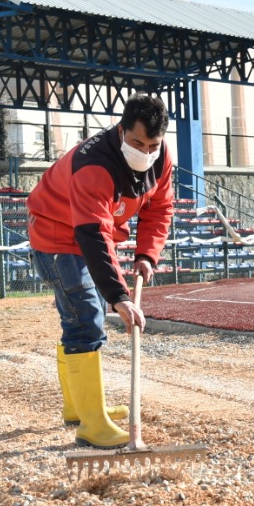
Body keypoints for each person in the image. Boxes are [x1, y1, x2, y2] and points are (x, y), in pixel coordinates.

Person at [26, 94, 174, 448]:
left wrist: (147, 255)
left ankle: (78, 407)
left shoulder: (161, 157)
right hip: (57, 234)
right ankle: (92, 424)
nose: (145, 151)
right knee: (85, 317)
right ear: (121, 131)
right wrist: (118, 297)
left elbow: (160, 207)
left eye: (152, 144)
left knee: (77, 318)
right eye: (137, 142)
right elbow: (92, 234)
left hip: (89, 234)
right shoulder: (95, 164)